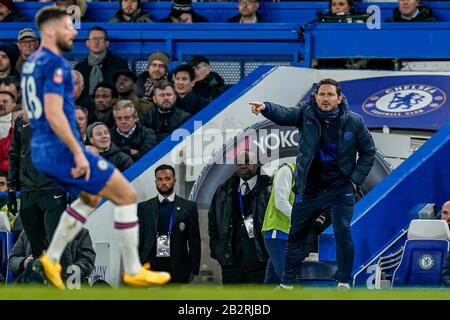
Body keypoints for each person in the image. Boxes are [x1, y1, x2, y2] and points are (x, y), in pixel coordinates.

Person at [21, 6, 170, 289]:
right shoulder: (54, 64)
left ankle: (51, 258)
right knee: (126, 194)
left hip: (41, 149)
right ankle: (133, 270)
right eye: (66, 27)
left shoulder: (31, 64)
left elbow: (30, 113)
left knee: (89, 199)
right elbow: (53, 113)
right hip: (59, 149)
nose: (72, 32)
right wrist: (77, 152)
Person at [250, 78, 376, 289]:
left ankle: (344, 282)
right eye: (321, 94)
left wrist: (354, 182)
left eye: (330, 95)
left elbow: (368, 152)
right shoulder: (305, 114)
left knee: (342, 231)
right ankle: (287, 284)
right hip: (310, 188)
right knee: (296, 234)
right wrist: (266, 107)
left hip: (340, 188)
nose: (325, 98)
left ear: (339, 98)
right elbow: (285, 114)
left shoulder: (354, 122)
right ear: (315, 97)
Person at [261, 162, 331, 284]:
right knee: (290, 280)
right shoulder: (287, 170)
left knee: (272, 282)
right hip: (277, 232)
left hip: (291, 236)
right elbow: (280, 202)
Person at [208, 150, 271, 284]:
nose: (243, 165)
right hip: (231, 263)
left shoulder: (269, 188)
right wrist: (217, 250)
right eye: (239, 162)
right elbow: (213, 223)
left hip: (260, 261)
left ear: (258, 163)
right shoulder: (223, 190)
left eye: (248, 161)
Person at [138, 164, 201, 283]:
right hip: (151, 265)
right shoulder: (144, 208)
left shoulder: (188, 207)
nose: (164, 183)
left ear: (174, 180)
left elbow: (194, 241)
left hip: (178, 266)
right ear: (156, 182)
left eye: (167, 179)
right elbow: (139, 239)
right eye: (160, 179)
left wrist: (194, 269)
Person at [8, 228, 95, 284]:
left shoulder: (80, 233)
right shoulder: (27, 232)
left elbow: (87, 261)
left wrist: (64, 269)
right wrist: (24, 263)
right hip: (35, 283)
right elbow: (12, 260)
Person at [74, 26, 130, 100]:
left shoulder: (120, 65)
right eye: (94, 39)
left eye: (100, 39)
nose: (96, 42)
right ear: (87, 43)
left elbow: (126, 92)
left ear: (107, 43)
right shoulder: (79, 68)